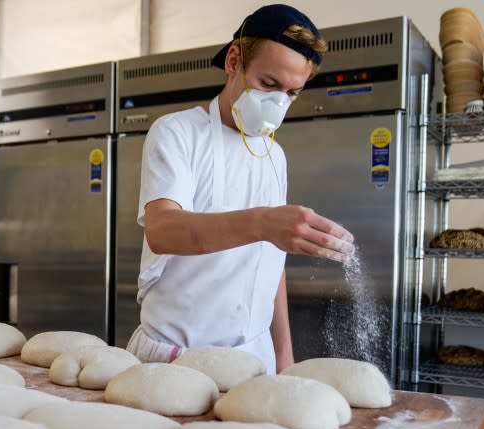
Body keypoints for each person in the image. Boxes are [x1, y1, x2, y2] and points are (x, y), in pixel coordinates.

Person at [126, 4, 355, 375]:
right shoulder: (177, 133)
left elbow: (270, 261)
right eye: (269, 84)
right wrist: (264, 223)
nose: (278, 102)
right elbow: (162, 230)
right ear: (234, 61)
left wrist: (284, 355)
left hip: (254, 357)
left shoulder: (274, 155)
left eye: (292, 93)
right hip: (177, 358)